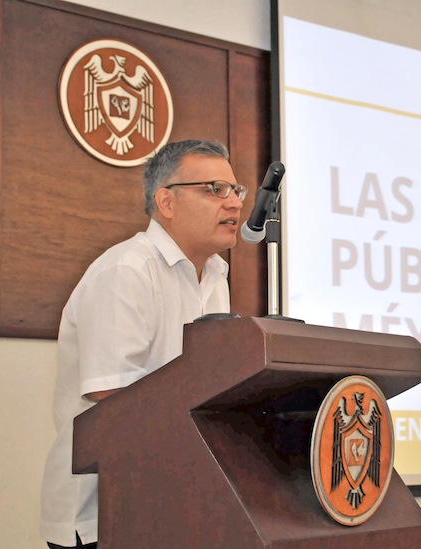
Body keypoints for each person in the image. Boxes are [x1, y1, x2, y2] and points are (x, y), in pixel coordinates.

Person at [39, 140, 246, 548]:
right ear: (166, 201)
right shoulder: (127, 270)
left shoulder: (215, 277)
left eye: (235, 190)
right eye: (215, 189)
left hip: (178, 502)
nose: (235, 204)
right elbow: (112, 394)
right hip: (105, 511)